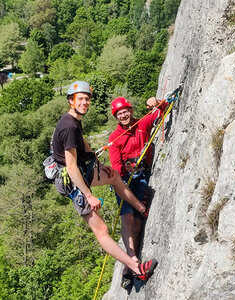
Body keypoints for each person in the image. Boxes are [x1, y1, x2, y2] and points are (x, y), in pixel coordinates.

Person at [51, 81, 158, 283]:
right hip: (73, 182)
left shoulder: (74, 121)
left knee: (114, 176)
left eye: (87, 98)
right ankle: (136, 268)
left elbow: (85, 145)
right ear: (70, 100)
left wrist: (100, 165)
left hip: (84, 170)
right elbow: (71, 167)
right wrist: (89, 196)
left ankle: (141, 209)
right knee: (102, 231)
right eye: (80, 99)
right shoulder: (68, 126)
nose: (85, 102)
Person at [108, 96, 167, 289]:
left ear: (131, 111)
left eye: (125, 111)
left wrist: (155, 102)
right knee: (128, 218)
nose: (123, 115)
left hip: (141, 177)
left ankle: (129, 267)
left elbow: (161, 110)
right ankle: (132, 263)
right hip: (123, 180)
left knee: (137, 220)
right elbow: (115, 168)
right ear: (116, 117)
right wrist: (126, 167)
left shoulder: (143, 123)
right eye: (119, 113)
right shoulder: (114, 138)